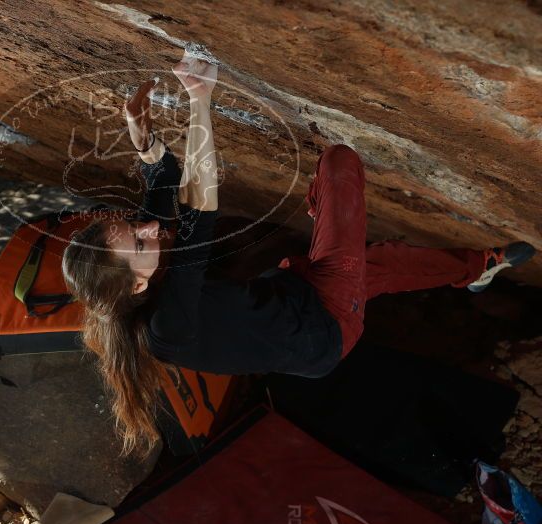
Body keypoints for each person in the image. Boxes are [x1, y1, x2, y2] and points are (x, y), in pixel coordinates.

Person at [61, 54, 536, 456]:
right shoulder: (169, 326)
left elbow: (164, 180)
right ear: (138, 285)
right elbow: (200, 204)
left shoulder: (139, 269)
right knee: (338, 165)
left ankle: (478, 269)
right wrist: (199, 99)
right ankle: (325, 210)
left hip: (290, 296)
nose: (147, 229)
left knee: (382, 267)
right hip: (325, 328)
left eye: (129, 226)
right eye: (139, 241)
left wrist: (144, 140)